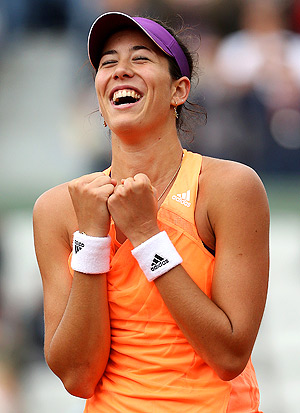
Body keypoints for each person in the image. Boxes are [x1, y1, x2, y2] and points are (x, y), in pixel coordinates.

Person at [33, 11, 270, 412]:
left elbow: (229, 356)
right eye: (108, 62)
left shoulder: (230, 187)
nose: (121, 70)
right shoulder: (59, 209)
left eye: (140, 58)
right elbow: (77, 377)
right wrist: (92, 241)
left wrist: (146, 237)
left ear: (179, 90)